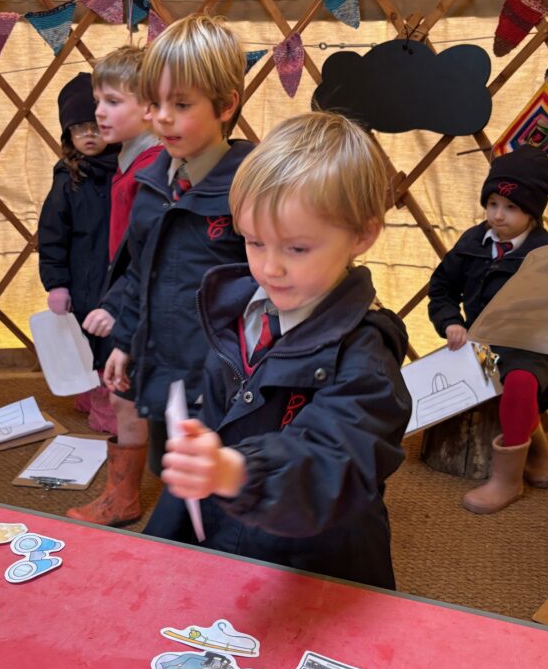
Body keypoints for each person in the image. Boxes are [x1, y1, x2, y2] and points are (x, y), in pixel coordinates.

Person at [146, 112, 412, 590]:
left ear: (362, 235)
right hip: (224, 533)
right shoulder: (237, 314)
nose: (270, 268)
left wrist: (238, 470)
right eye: (253, 241)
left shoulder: (366, 359)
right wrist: (158, 541)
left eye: (297, 249)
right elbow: (209, 428)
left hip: (315, 563)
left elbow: (334, 461)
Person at [70, 15, 253, 526]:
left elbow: (278, 284)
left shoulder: (250, 189)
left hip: (225, 373)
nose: (163, 119)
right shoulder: (152, 181)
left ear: (226, 105)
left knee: (220, 486)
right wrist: (126, 341)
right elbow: (140, 274)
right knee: (175, 466)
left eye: (182, 104)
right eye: (154, 104)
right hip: (165, 360)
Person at [427, 145, 548, 514]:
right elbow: (441, 288)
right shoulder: (473, 243)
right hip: (484, 340)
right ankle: (536, 450)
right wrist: (451, 322)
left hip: (531, 345)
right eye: (492, 204)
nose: (498, 216)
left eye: (510, 208)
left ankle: (507, 481)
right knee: (485, 380)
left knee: (520, 380)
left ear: (532, 213)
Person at [67, 46, 161, 524]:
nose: (98, 112)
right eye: (97, 102)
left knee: (129, 398)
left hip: (144, 310)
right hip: (131, 303)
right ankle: (121, 494)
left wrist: (119, 308)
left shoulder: (153, 170)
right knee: (127, 396)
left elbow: (147, 254)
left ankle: (123, 499)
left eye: (111, 101)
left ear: (149, 107)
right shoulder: (131, 158)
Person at [37, 72, 118, 430]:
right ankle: (101, 409)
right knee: (87, 345)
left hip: (118, 277)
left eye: (96, 126)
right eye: (78, 127)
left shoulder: (130, 170)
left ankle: (94, 398)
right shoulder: (66, 179)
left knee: (112, 342)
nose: (88, 135)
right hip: (83, 282)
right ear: (67, 134)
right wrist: (56, 284)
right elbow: (52, 236)